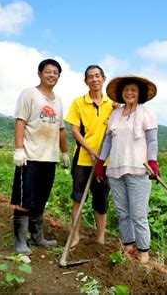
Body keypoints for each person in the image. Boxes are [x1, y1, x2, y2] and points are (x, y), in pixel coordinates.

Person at [94, 75, 160, 263]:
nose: (129, 93)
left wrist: (153, 161)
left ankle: (144, 254)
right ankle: (128, 248)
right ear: (121, 94)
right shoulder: (115, 115)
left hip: (138, 170)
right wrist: (101, 162)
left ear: (139, 94)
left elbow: (152, 140)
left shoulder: (146, 113)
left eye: (133, 90)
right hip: (115, 170)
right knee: (123, 213)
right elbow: (108, 140)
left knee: (139, 215)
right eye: (126, 90)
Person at [11, 58, 70, 254]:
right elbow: (20, 121)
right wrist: (19, 149)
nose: (52, 75)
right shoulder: (29, 94)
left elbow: (61, 130)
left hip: (49, 158)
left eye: (56, 73)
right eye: (48, 71)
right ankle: (20, 240)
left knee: (41, 199)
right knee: (23, 199)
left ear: (59, 77)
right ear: (40, 74)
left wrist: (64, 152)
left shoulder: (58, 101)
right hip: (29, 156)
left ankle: (37, 237)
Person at [65, 65, 117, 248]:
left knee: (101, 199)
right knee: (78, 198)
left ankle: (100, 237)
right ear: (85, 81)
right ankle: (76, 236)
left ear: (103, 78)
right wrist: (91, 152)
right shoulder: (78, 102)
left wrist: (101, 156)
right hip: (83, 159)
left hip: (106, 162)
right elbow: (74, 131)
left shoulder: (113, 104)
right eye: (90, 77)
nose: (94, 79)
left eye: (97, 76)